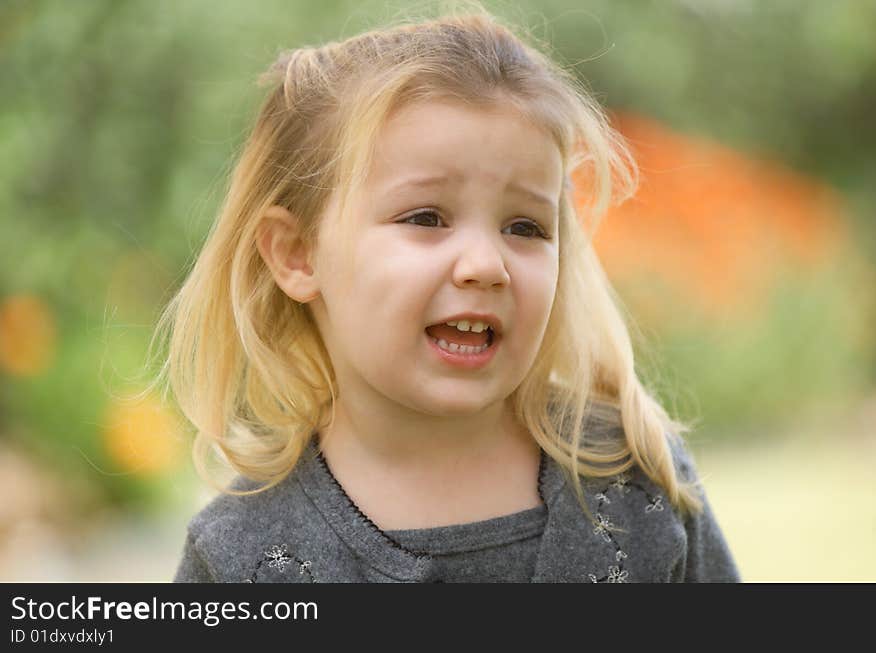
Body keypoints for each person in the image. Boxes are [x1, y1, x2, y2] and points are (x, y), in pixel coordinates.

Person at [163, 4, 740, 583]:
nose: (487, 265)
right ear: (296, 253)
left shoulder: (634, 478)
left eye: (525, 227)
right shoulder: (241, 558)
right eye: (426, 217)